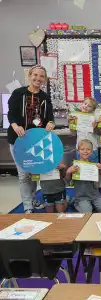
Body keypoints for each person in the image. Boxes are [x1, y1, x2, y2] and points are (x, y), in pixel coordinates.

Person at [7, 65, 55, 213]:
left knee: (33, 173)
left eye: (41, 76)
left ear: (45, 79)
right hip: (18, 140)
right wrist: (15, 126)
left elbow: (50, 119)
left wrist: (50, 124)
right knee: (23, 176)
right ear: (30, 76)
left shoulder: (45, 97)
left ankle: (33, 198)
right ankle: (27, 205)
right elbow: (11, 113)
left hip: (36, 142)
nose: (38, 79)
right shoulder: (18, 93)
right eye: (35, 75)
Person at [66, 139, 101, 213]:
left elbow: (97, 177)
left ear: (91, 152)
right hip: (81, 196)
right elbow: (68, 180)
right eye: (82, 149)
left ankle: (88, 204)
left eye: (88, 149)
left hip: (94, 194)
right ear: (78, 151)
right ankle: (75, 202)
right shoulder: (74, 165)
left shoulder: (94, 165)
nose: (85, 151)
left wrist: (100, 168)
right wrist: (68, 172)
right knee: (88, 212)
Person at [72, 97, 100, 162]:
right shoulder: (76, 117)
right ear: (82, 104)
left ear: (93, 110)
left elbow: (99, 133)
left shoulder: (95, 119)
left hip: (93, 149)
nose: (86, 106)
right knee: (81, 168)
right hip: (80, 149)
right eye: (85, 104)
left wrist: (95, 127)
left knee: (93, 169)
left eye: (89, 106)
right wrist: (71, 125)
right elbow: (73, 133)